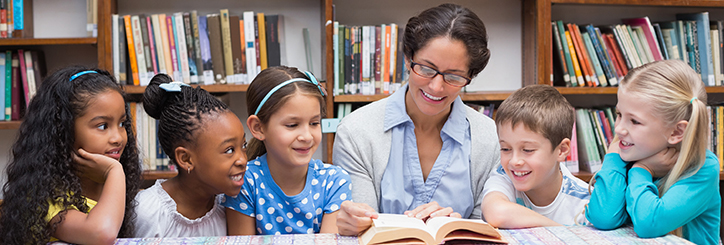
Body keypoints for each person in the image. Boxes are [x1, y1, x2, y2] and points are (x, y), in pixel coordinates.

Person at [333, 3, 497, 236]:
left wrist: (460, 227)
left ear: (470, 76)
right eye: (427, 69)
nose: (436, 86)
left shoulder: (491, 138)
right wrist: (354, 223)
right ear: (408, 59)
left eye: (453, 76)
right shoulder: (356, 131)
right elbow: (362, 224)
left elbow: (491, 229)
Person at [0, 67, 142, 244]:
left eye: (122, 123)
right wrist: (115, 172)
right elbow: (102, 233)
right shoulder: (45, 195)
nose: (118, 137)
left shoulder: (106, 184)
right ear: (64, 131)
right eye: (103, 126)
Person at [585, 60, 720, 245]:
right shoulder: (628, 154)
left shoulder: (702, 168)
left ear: (676, 132)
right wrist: (613, 158)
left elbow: (649, 224)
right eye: (618, 115)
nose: (618, 129)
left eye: (635, 121)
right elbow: (603, 217)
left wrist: (642, 170)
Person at [222, 66, 352, 235]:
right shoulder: (244, 183)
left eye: (314, 123)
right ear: (258, 128)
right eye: (292, 125)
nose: (306, 136)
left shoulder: (334, 182)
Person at [133, 74, 248, 237]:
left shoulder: (234, 205)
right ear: (186, 159)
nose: (243, 160)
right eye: (229, 150)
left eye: (244, 145)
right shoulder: (148, 213)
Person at [481, 85, 589, 228]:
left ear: (561, 150)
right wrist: (563, 231)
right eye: (506, 149)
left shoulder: (585, 201)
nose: (514, 161)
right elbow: (496, 213)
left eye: (527, 150)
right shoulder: (504, 178)